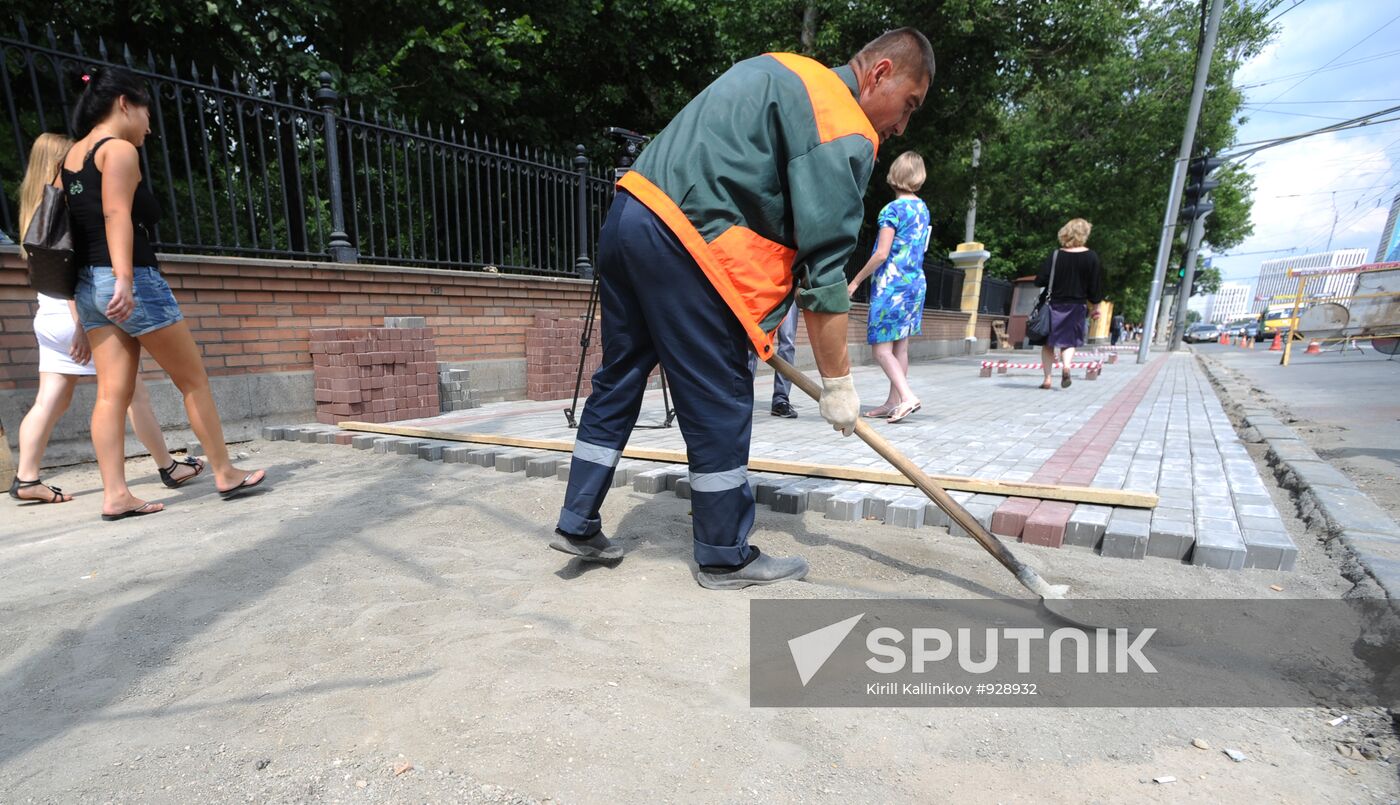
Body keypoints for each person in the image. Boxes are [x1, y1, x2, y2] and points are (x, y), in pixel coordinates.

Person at [550, 29, 934, 589]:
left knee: (619, 377)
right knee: (722, 399)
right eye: (909, 104)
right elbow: (823, 270)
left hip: (631, 217)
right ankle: (724, 555)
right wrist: (839, 383)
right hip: (690, 249)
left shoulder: (779, 67)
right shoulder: (841, 125)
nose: (901, 125)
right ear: (879, 73)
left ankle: (576, 519)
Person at [62, 67, 266, 520]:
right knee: (193, 380)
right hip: (128, 277)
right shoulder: (117, 150)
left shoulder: (71, 157)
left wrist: (81, 312)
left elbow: (68, 238)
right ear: (123, 104)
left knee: (112, 395)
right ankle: (225, 472)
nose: (149, 125)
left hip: (89, 285)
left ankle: (115, 494)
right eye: (146, 111)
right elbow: (117, 216)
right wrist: (126, 281)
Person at [9, 133, 204, 505]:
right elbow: (73, 274)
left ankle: (27, 477)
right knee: (132, 395)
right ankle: (167, 466)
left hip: (46, 314)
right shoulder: (69, 199)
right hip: (71, 313)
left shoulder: (36, 208)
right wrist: (82, 324)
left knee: (50, 399)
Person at [846, 151, 930, 423]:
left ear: (894, 175)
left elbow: (882, 254)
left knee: (881, 350)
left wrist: (856, 280)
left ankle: (906, 397)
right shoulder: (922, 209)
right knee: (900, 348)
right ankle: (893, 402)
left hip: (892, 287)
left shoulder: (891, 210)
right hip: (915, 285)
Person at [1034, 218, 1104, 390]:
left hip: (1053, 305)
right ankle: (1066, 367)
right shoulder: (1091, 257)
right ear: (1085, 234)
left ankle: (1047, 379)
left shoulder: (1056, 255)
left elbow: (1039, 280)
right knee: (1069, 342)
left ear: (1065, 233)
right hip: (1077, 306)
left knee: (1048, 343)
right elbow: (1095, 286)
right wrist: (1096, 307)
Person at [746, 306, 800, 418]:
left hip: (790, 291)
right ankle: (744, 396)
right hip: (763, 290)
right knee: (753, 337)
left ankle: (781, 401)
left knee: (787, 343)